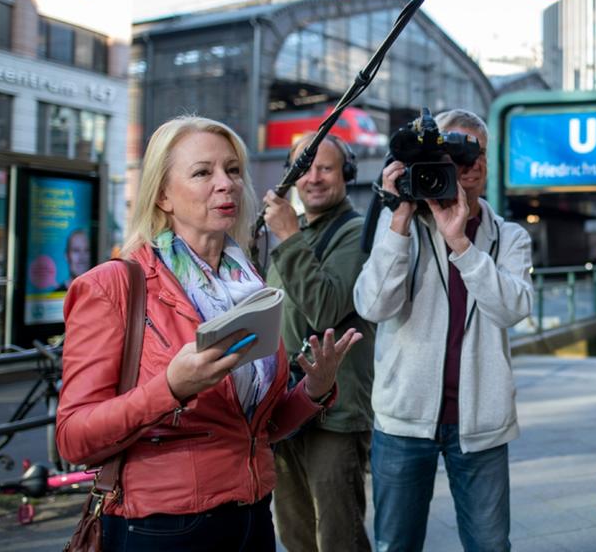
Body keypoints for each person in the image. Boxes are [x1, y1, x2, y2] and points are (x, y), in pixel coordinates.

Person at [56, 115, 363, 551]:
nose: (226, 184)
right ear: (162, 195)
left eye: (233, 170)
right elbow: (74, 439)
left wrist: (314, 390)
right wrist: (170, 388)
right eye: (203, 172)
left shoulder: (247, 283)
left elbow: (256, 429)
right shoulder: (113, 285)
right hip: (163, 527)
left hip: (252, 517)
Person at [354, 109, 533, 552]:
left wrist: (462, 245)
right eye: (452, 153)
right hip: (403, 418)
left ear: (487, 163)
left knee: (490, 545)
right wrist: (398, 220)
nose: (468, 164)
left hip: (481, 422)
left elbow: (512, 309)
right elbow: (373, 306)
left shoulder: (509, 236)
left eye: (476, 153)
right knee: (395, 545)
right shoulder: (402, 226)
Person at [262, 134, 374, 552]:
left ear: (346, 174)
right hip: (288, 403)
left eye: (325, 168)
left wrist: (289, 236)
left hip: (336, 412)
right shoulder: (298, 231)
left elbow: (325, 307)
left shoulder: (357, 232)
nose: (313, 178)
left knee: (338, 534)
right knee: (294, 531)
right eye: (304, 169)